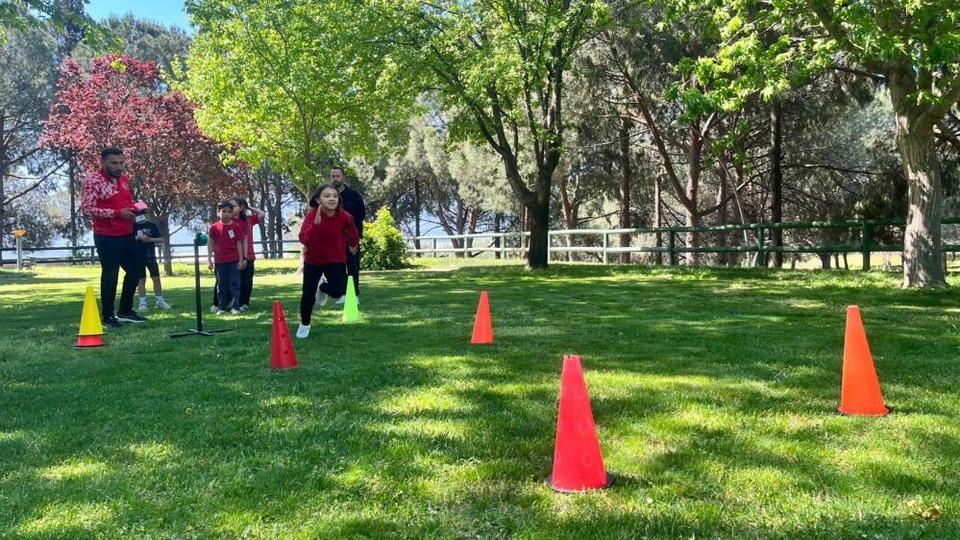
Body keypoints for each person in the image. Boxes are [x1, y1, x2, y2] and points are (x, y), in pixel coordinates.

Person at [81, 147, 147, 328]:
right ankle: (108, 316)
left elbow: (125, 204)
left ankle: (125, 310)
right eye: (114, 163)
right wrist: (117, 213)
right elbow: (87, 209)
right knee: (111, 274)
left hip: (127, 233)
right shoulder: (93, 181)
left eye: (121, 163)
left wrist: (136, 210)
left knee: (136, 270)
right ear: (103, 162)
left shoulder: (124, 180)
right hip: (107, 236)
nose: (119, 167)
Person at [297, 184, 359, 339]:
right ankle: (305, 324)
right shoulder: (312, 215)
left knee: (338, 290)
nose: (332, 199)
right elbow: (304, 239)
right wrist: (316, 226)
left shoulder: (345, 216)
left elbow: (353, 232)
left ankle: (322, 287)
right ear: (318, 200)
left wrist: (353, 244)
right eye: (327, 196)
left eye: (335, 196)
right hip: (314, 260)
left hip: (335, 259)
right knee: (308, 295)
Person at [330, 167, 365, 304]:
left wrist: (354, 240)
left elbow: (360, 217)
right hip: (334, 240)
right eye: (333, 176)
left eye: (338, 176)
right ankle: (344, 294)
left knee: (352, 266)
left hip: (350, 238)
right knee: (337, 268)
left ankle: (354, 295)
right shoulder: (328, 197)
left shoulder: (353, 195)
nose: (335, 178)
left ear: (343, 177)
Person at [207, 200, 247, 314]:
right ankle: (222, 307)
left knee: (235, 285)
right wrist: (209, 259)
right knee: (221, 285)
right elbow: (210, 243)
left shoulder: (236, 226)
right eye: (224, 211)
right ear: (218, 212)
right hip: (220, 261)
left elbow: (239, 244)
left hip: (234, 260)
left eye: (229, 211)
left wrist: (241, 260)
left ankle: (235, 307)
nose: (227, 214)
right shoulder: (214, 227)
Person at [133, 205, 172, 311]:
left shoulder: (151, 225)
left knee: (156, 278)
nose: (140, 216)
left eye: (142, 213)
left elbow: (162, 239)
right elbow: (128, 240)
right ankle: (142, 303)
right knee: (141, 280)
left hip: (150, 256)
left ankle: (160, 301)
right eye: (138, 214)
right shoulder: (132, 227)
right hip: (137, 257)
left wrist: (149, 239)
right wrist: (138, 237)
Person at [229, 197, 264, 311]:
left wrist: (248, 207)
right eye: (230, 206)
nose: (232, 209)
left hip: (249, 255)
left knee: (247, 281)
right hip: (234, 256)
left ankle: (244, 302)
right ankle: (233, 301)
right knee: (234, 281)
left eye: (234, 206)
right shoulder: (228, 221)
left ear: (241, 208)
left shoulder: (248, 220)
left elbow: (261, 213)